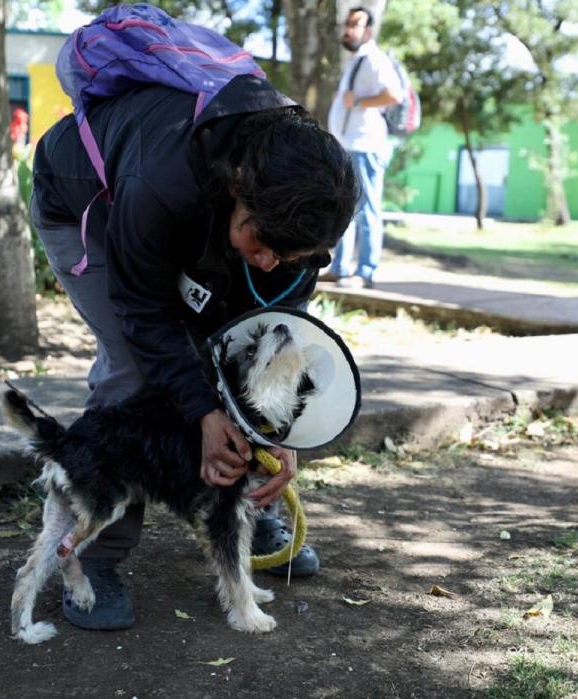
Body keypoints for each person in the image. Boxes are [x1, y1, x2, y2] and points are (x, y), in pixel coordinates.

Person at [30, 70, 359, 631]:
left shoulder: (304, 198)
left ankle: (249, 514)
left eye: (293, 254)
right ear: (239, 193)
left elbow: (279, 327)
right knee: (136, 369)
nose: (269, 264)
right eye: (264, 248)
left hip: (198, 217)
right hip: (93, 209)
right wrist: (204, 412)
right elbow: (142, 311)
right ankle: (94, 555)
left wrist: (280, 438)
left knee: (243, 350)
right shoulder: (164, 180)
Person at [323, 6, 404, 290]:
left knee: (367, 209)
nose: (347, 30)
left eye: (354, 25)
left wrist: (356, 101)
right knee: (348, 209)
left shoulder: (375, 59)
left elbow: (394, 95)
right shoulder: (358, 60)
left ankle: (367, 271)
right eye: (347, 24)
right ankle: (341, 267)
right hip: (350, 146)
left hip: (365, 145)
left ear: (368, 31)